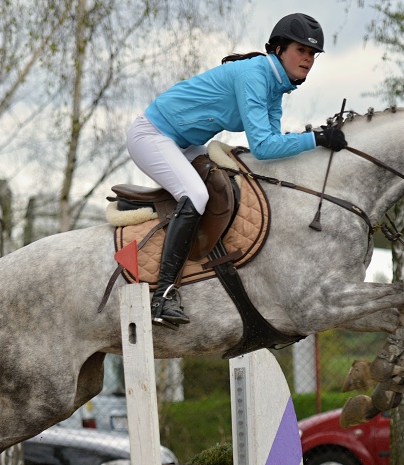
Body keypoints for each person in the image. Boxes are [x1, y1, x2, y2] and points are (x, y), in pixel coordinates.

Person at [126, 13, 348, 329]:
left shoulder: (275, 89)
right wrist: (316, 138)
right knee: (196, 194)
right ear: (280, 49)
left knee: (225, 186)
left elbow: (272, 149)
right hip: (152, 135)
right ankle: (162, 296)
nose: (308, 59)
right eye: (302, 50)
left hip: (184, 143)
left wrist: (316, 142)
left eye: (313, 54)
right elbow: (265, 147)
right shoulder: (255, 76)